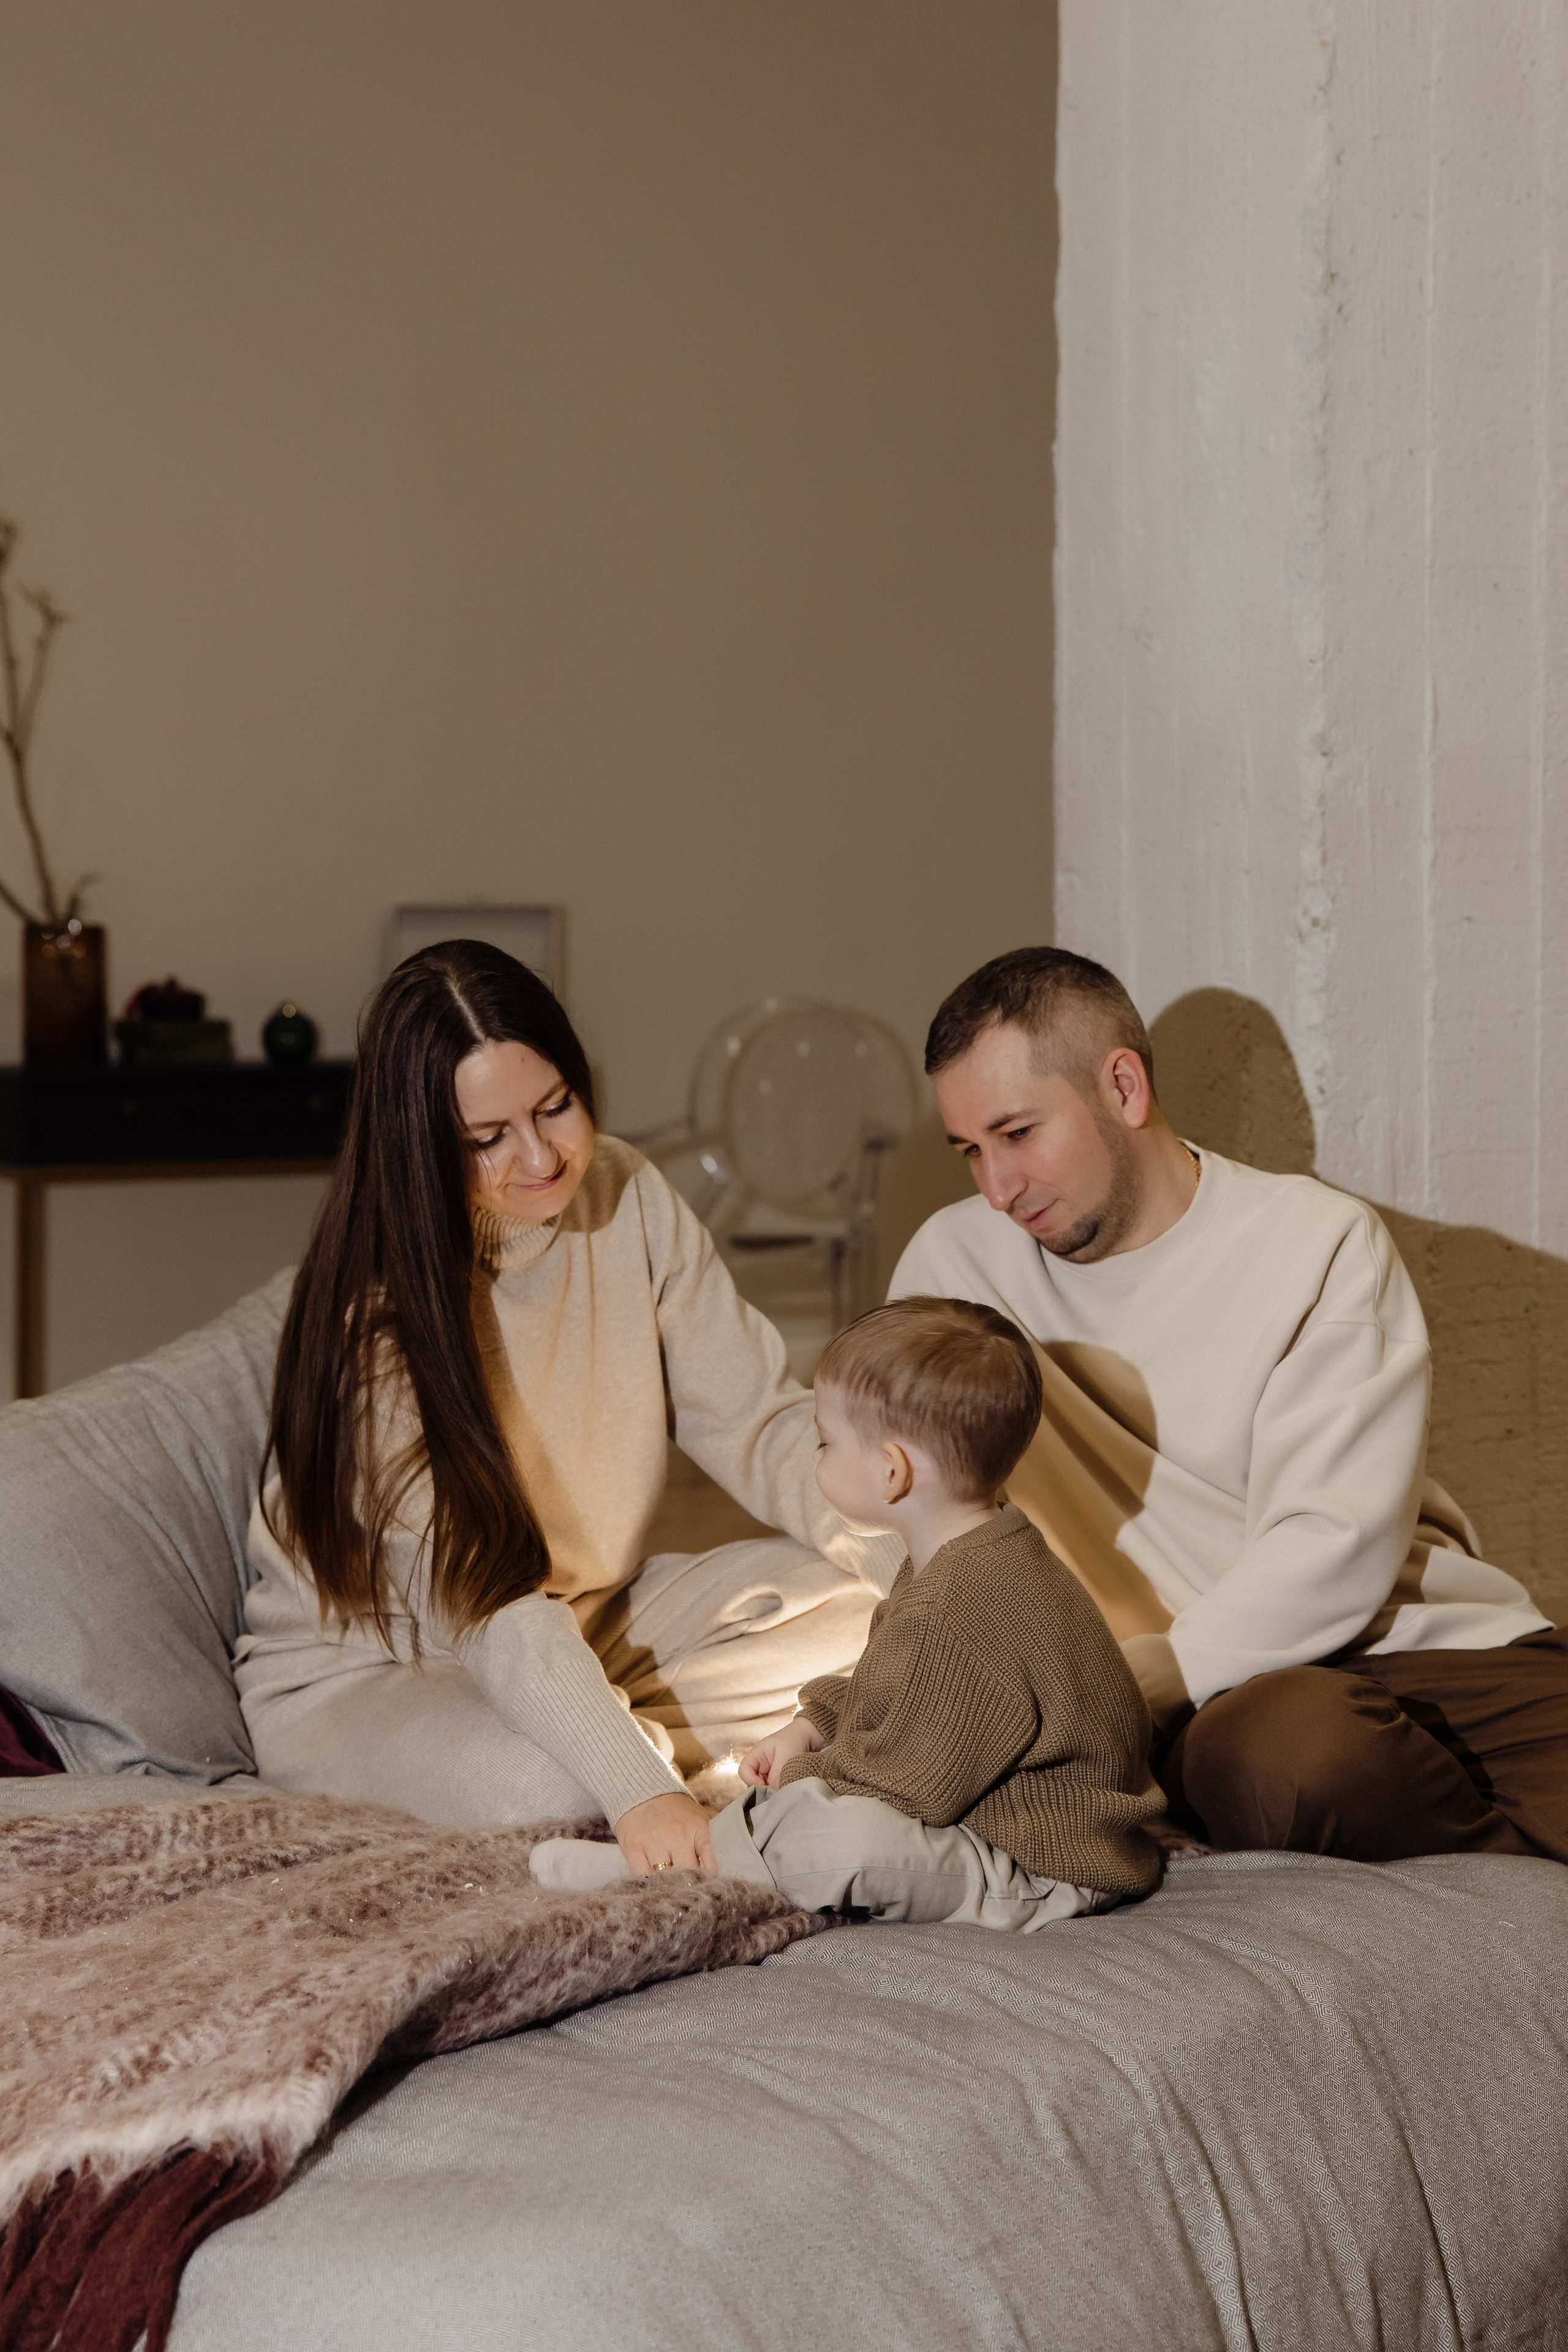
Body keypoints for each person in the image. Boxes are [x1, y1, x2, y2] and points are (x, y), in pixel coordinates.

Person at [888, 944, 1568, 1866]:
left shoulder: (1315, 1242)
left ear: (1123, 1089)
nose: (998, 1188)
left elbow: (1334, 1541)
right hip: (1213, 1696)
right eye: (970, 1152)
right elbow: (909, 1507)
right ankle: (1516, 1896)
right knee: (1295, 1763)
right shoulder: (951, 1273)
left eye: (1017, 1134)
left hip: (1417, 1640)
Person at [235, 941, 897, 1876]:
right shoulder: (377, 1317)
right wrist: (639, 1790)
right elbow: (487, 1599)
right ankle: (633, 1748)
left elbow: (757, 1421)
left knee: (876, 1613)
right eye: (487, 1137)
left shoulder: (628, 1196)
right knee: (560, 1789)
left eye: (555, 1107)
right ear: (420, 1141)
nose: (541, 1156)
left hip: (582, 1619)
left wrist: (935, 1574)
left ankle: (612, 1727)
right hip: (378, 1671)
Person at [532, 1295, 1163, 1923]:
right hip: (1005, 1814)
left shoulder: (959, 1603)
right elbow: (893, 1683)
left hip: (1042, 1865)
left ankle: (685, 1865)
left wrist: (806, 1771)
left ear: (892, 1473)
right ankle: (735, 1843)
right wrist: (811, 1724)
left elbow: (902, 1788)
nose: (814, 1456)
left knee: (834, 1835)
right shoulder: (979, 1547)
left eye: (824, 1442)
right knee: (818, 1803)